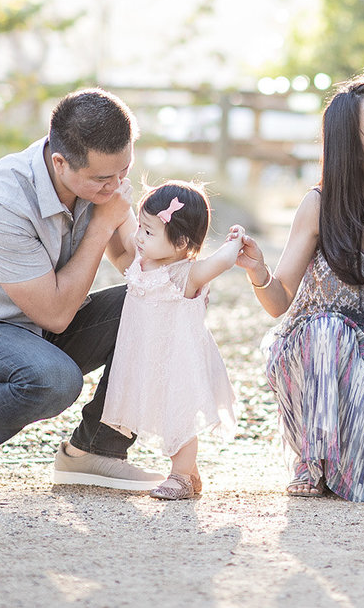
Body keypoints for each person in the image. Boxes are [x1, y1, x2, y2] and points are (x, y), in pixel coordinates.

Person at [0, 87, 163, 491]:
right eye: (104, 178)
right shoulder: (2, 202)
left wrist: (182, 264)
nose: (117, 186)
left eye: (124, 172)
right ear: (60, 162)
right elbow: (57, 314)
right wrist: (101, 225)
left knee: (156, 305)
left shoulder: (99, 182)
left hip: (35, 331)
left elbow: (128, 260)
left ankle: (96, 452)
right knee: (56, 379)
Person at [235, 74, 364, 502]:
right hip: (313, 373)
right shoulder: (320, 206)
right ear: (350, 144)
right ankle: (312, 457)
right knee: (329, 328)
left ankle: (349, 459)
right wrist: (257, 270)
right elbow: (278, 303)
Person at [100, 181, 243, 500]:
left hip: (178, 360)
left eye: (149, 232)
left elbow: (218, 263)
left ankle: (179, 474)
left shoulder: (185, 275)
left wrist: (234, 244)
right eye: (142, 226)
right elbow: (126, 230)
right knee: (157, 413)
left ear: (180, 243)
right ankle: (189, 475)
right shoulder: (140, 263)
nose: (139, 236)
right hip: (145, 357)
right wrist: (120, 201)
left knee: (177, 416)